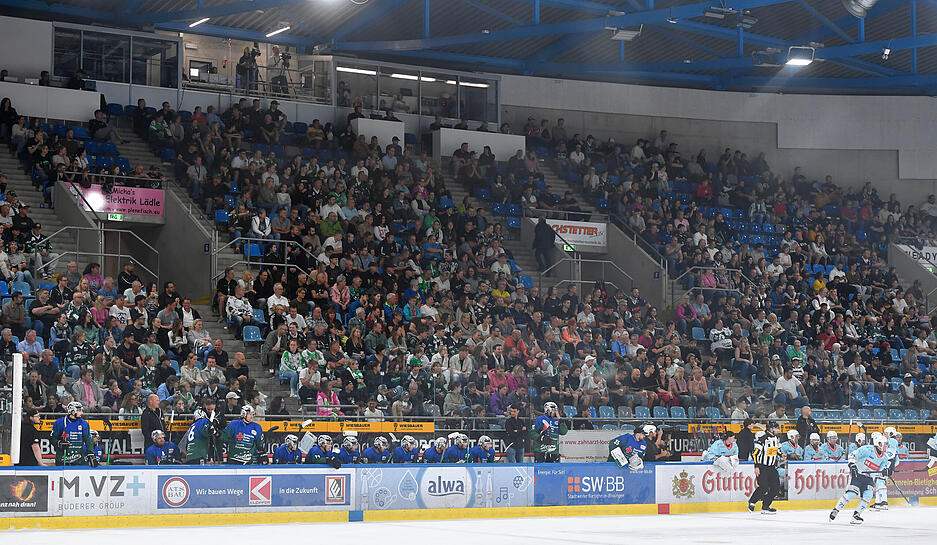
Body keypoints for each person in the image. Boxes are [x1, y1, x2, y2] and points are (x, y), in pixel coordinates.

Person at [830, 433, 889, 524]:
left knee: (868, 495)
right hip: (858, 475)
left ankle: (856, 515)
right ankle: (836, 509)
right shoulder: (867, 449)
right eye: (885, 444)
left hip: (869, 478)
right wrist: (852, 464)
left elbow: (881, 471)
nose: (886, 446)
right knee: (852, 494)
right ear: (880, 443)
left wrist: (885, 472)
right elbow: (853, 455)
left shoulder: (884, 457)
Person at [748, 420, 781, 514]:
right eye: (776, 428)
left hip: (772, 467)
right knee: (763, 487)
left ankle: (766, 505)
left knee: (776, 488)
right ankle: (752, 501)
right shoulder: (762, 439)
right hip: (762, 467)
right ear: (771, 429)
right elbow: (755, 454)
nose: (778, 430)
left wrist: (781, 454)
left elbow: (777, 449)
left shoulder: (776, 438)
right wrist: (756, 466)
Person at [50, 401, 96, 466]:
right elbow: (52, 438)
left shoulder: (84, 424)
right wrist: (58, 443)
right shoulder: (59, 422)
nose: (81, 413)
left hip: (79, 460)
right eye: (79, 410)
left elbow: (88, 440)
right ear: (73, 412)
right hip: (62, 460)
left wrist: (91, 453)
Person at [872, 427, 900, 510]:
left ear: (890, 434)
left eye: (885, 433)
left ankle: (884, 502)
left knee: (880, 481)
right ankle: (878, 502)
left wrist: (887, 466)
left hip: (887, 465)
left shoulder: (892, 441)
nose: (884, 435)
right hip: (886, 464)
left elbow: (890, 455)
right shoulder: (889, 441)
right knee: (878, 482)